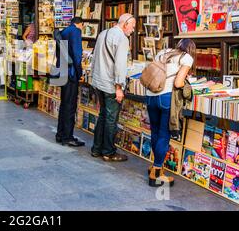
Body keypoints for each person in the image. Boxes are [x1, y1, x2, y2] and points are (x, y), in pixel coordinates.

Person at [146, 39, 196, 187]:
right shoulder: (186, 57)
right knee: (164, 134)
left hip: (150, 95)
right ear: (191, 49)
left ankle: (156, 166)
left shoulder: (163, 52)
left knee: (155, 132)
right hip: (166, 98)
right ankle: (156, 174)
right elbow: (178, 83)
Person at [90, 13, 136, 161]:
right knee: (111, 119)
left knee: (103, 115)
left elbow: (95, 57)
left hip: (98, 82)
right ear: (125, 24)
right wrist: (119, 87)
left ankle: (96, 148)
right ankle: (108, 152)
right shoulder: (122, 39)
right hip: (110, 85)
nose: (133, 30)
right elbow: (120, 65)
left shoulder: (103, 33)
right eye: (132, 26)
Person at [56, 17, 85, 147]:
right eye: (83, 26)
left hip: (62, 71)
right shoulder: (75, 32)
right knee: (70, 105)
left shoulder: (64, 31)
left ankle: (60, 134)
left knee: (64, 104)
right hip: (70, 73)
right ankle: (68, 137)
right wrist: (80, 73)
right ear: (80, 24)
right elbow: (77, 54)